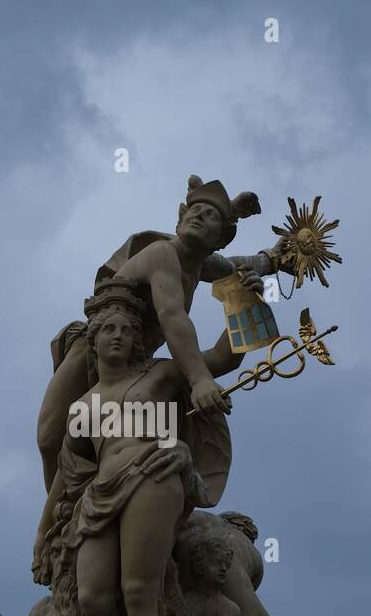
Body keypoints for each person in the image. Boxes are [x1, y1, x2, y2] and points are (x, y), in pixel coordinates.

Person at [46, 279, 240, 616]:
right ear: (92, 341)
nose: (117, 336)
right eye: (108, 329)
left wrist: (241, 300)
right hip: (98, 495)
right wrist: (44, 533)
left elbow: (222, 358)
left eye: (126, 330)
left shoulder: (160, 374)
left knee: (138, 591)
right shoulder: (82, 406)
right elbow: (66, 475)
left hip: (154, 475)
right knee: (94, 597)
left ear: (137, 339)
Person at [36, 175, 289, 493]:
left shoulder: (200, 267)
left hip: (136, 370)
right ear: (181, 217)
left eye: (211, 215)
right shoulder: (162, 253)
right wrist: (198, 379)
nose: (199, 215)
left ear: (220, 239)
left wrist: (256, 294)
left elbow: (226, 355)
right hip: (94, 352)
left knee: (102, 443)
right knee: (52, 438)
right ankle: (62, 524)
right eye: (195, 210)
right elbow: (172, 316)